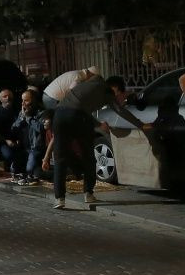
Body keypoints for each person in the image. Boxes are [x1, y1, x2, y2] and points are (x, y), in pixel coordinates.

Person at [50, 75, 150, 209]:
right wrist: (140, 125)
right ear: (115, 88)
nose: (121, 98)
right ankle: (88, 193)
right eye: (121, 94)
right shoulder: (107, 92)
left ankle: (59, 199)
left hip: (59, 115)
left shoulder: (92, 83)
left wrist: (98, 124)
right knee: (88, 157)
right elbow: (119, 110)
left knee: (60, 158)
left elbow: (80, 105)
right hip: (78, 117)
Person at [9, 90, 47, 185]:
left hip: (36, 148)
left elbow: (41, 128)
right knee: (13, 169)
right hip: (23, 147)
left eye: (26, 100)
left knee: (30, 169)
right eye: (22, 100)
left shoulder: (42, 113)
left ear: (33, 101)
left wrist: (29, 118)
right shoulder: (22, 113)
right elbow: (13, 129)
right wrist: (22, 118)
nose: (23, 103)